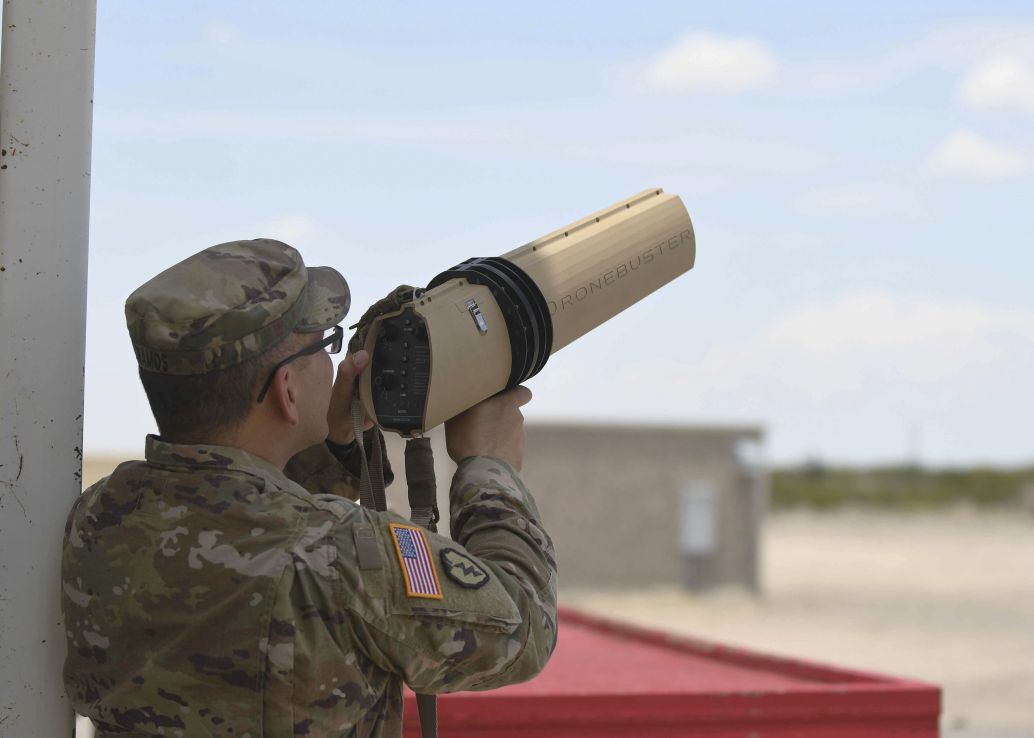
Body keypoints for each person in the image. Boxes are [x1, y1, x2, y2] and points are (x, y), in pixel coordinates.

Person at [61, 239, 558, 737]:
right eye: (325, 345)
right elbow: (523, 632)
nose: (333, 362)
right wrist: (489, 468)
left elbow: (245, 522)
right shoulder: (345, 554)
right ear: (288, 390)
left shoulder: (98, 517)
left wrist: (338, 442)